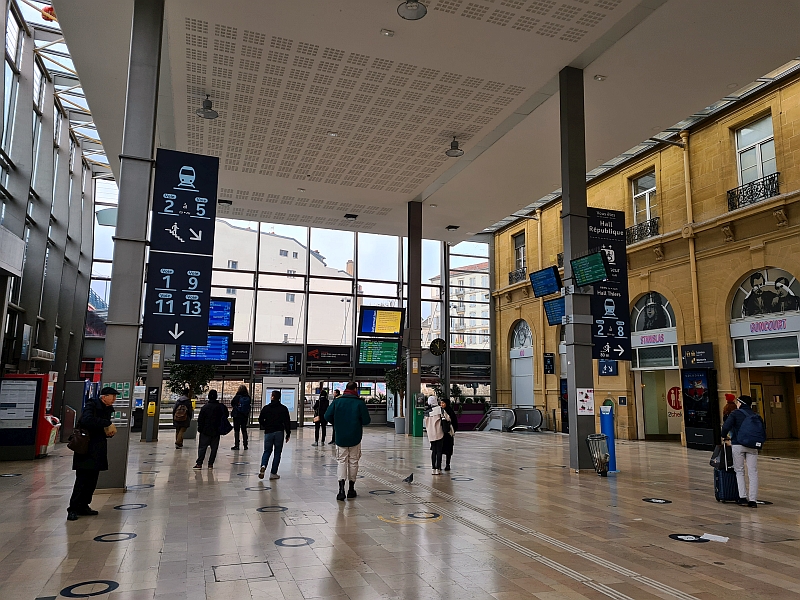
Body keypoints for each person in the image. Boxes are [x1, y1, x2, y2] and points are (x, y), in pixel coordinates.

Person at [67, 387, 118, 521]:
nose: (114, 399)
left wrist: (108, 432)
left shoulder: (107, 409)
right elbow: (87, 420)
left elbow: (100, 427)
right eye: (112, 396)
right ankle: (73, 509)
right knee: (82, 480)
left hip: (97, 448)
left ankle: (84, 505)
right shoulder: (92, 405)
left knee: (92, 480)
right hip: (86, 448)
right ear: (104, 397)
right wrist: (106, 423)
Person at [325, 381, 370, 500]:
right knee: (353, 462)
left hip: (341, 437)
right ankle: (351, 489)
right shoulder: (359, 403)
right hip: (355, 437)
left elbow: (327, 416)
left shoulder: (337, 401)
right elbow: (366, 420)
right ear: (355, 389)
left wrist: (336, 423)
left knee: (341, 461)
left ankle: (341, 491)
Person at [721, 395, 761, 508]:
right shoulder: (755, 415)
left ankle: (742, 497)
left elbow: (726, 427)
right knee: (753, 472)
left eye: (738, 402)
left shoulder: (735, 413)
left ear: (741, 403)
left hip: (738, 444)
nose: (737, 404)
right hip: (752, 446)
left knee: (739, 471)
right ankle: (753, 500)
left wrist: (724, 436)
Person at [258, 390, 291, 480]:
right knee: (277, 453)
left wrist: (265, 426)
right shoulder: (283, 408)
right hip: (279, 432)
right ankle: (273, 473)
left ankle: (263, 465)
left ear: (272, 397)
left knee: (267, 451)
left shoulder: (266, 408)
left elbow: (260, 419)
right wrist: (288, 433)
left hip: (268, 432)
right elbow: (287, 422)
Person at [194, 389, 228, 470]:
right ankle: (210, 464)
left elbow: (200, 419)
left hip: (205, 430)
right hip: (216, 430)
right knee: (214, 448)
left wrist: (200, 429)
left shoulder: (205, 407)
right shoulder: (220, 407)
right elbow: (226, 415)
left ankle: (199, 463)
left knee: (202, 447)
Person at [424, 396, 451, 475]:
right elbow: (448, 418)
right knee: (439, 451)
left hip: (431, 434)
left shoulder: (426, 412)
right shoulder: (440, 409)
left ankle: (433, 468)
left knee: (433, 451)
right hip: (439, 433)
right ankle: (438, 468)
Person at [230, 384, 251, 450]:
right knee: (244, 430)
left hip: (237, 415)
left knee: (237, 430)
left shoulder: (237, 397)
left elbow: (232, 403)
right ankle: (245, 445)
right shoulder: (248, 397)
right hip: (244, 416)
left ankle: (237, 445)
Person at [440, 397, 458, 471]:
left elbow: (455, 423)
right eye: (441, 403)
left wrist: (451, 430)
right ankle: (439, 464)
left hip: (448, 434)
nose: (441, 404)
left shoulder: (450, 412)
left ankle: (448, 464)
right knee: (440, 450)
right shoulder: (440, 411)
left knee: (448, 450)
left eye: (443, 403)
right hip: (441, 434)